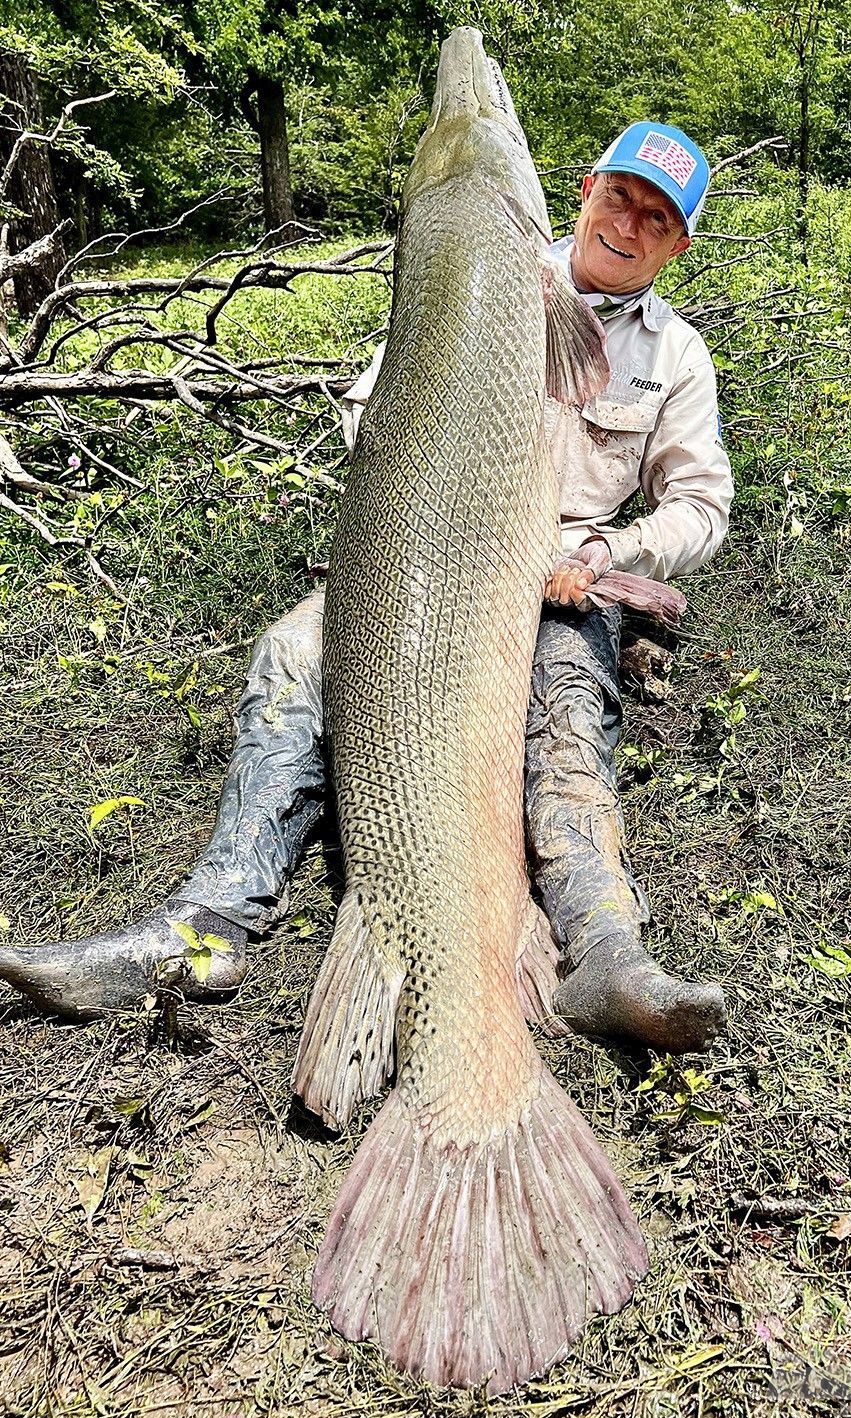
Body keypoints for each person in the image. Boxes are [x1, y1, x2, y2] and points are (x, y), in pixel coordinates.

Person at [0, 122, 733, 1054]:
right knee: (293, 657)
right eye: (621, 196)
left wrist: (604, 548)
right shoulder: (478, 271)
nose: (630, 223)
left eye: (659, 218)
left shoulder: (676, 356)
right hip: (428, 555)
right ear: (586, 189)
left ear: (677, 245)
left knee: (564, 708)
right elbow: (370, 415)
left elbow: (701, 508)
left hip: (565, 576)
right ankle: (204, 929)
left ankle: (603, 955)